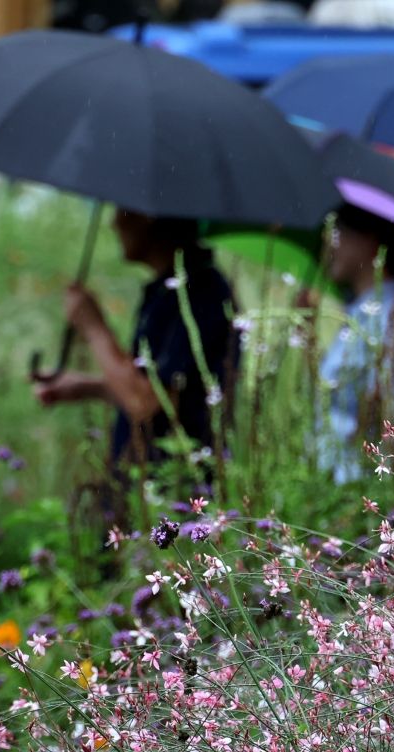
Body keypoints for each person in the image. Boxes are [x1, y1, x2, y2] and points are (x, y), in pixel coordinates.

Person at [30, 210, 239, 533]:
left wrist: (94, 326)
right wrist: (88, 387)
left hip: (173, 500)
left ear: (152, 216)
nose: (114, 222)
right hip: (143, 493)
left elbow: (147, 402)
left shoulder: (199, 292)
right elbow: (162, 391)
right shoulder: (164, 291)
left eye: (121, 209)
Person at [314, 204, 394, 485]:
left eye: (337, 232)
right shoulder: (361, 311)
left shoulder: (392, 313)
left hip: (368, 490)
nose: (328, 242)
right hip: (343, 486)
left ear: (369, 238)